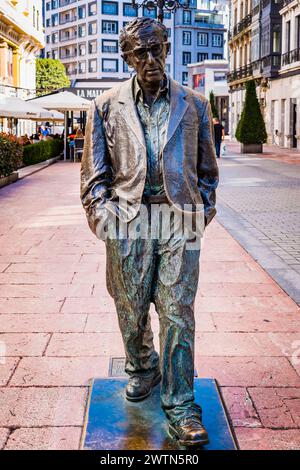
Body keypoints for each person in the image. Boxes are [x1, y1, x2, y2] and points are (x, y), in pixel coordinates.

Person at [81, 17, 218, 447]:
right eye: (140, 52)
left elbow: (208, 171)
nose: (151, 58)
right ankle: (141, 366)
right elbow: (93, 177)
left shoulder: (194, 103)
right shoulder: (105, 106)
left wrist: (201, 213)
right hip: (128, 219)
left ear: (167, 48)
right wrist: (105, 221)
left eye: (157, 48)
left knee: (178, 310)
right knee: (131, 304)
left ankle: (181, 405)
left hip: (178, 220)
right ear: (127, 56)